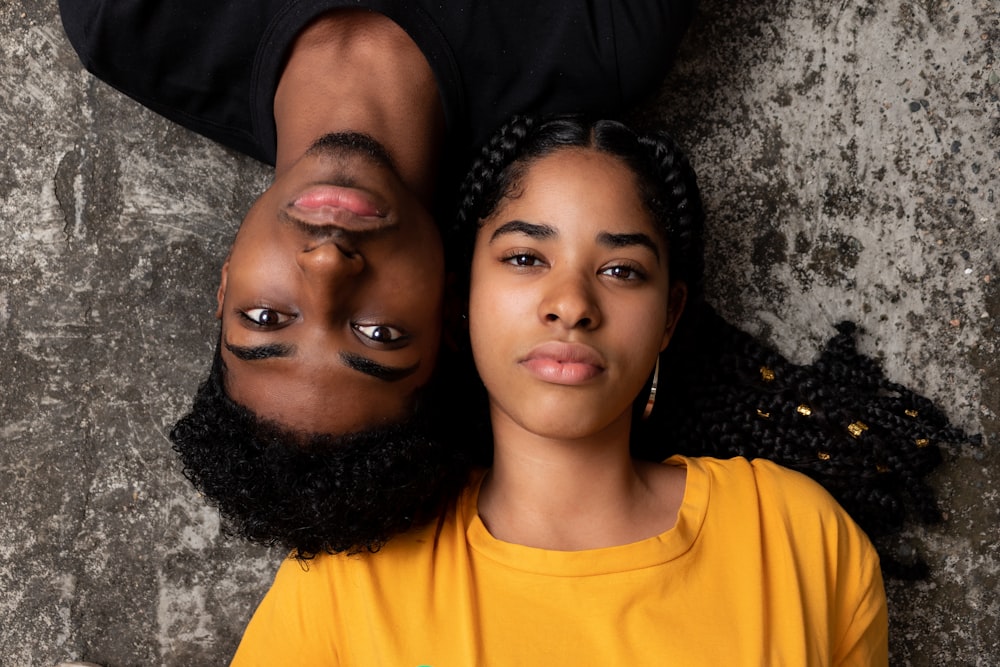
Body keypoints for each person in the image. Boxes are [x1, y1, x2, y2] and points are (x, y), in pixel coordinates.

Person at [228, 117, 890, 665]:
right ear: (459, 301)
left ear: (670, 316)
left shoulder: (796, 538)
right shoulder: (350, 577)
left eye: (621, 270)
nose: (571, 303)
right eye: (524, 258)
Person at [58, 1, 698, 545]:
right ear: (453, 313)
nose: (328, 264)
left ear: (224, 287)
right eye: (377, 334)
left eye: (266, 318)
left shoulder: (127, 20)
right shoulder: (605, 36)